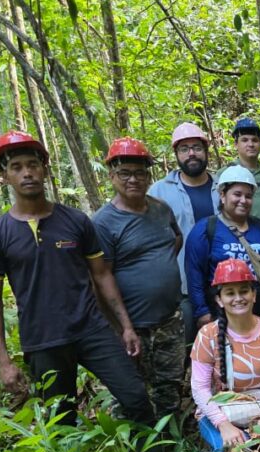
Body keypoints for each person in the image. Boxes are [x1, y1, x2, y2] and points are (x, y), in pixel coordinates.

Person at [0, 131, 177, 452]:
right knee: (61, 416)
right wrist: (4, 362)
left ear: (45, 169)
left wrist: (125, 326)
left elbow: (101, 275)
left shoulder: (75, 221)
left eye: (33, 165)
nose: (27, 173)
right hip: (43, 339)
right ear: (5, 176)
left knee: (135, 396)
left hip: (92, 329)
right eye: (17, 167)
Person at [92, 137, 185, 425]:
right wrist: (124, 328)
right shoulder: (103, 223)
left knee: (169, 386)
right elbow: (100, 276)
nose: (133, 179)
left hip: (169, 320)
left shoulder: (160, 208)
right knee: (134, 392)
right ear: (112, 176)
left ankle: (172, 443)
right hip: (134, 327)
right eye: (125, 173)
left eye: (140, 173)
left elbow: (176, 238)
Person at [190, 259, 260, 452]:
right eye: (230, 293)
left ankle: (258, 443)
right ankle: (250, 445)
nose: (238, 298)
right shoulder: (207, 335)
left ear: (254, 295)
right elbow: (199, 388)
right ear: (219, 300)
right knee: (226, 451)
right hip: (221, 410)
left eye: (243, 291)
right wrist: (223, 424)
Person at [184, 166, 260, 336]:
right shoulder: (206, 229)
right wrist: (202, 312)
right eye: (237, 194)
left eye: (248, 196)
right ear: (223, 195)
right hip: (223, 313)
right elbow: (195, 274)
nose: (243, 200)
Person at [148, 122, 219, 342]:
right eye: (184, 149)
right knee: (185, 347)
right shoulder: (159, 191)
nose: (191, 154)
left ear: (206, 151)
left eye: (196, 147)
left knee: (226, 347)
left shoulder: (223, 186)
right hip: (182, 287)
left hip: (224, 284)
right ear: (176, 154)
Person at [219, 116, 260, 227]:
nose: (251, 144)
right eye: (244, 140)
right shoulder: (224, 174)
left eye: (254, 140)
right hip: (240, 239)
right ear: (236, 145)